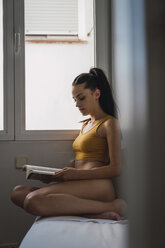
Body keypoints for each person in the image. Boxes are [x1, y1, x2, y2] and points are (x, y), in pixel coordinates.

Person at [11, 67, 127, 220]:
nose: (77, 104)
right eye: (75, 99)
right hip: (80, 182)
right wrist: (55, 176)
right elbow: (80, 161)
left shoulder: (109, 124)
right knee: (17, 192)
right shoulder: (86, 125)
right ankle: (92, 212)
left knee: (32, 201)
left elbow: (115, 168)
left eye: (81, 98)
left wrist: (77, 174)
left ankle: (112, 206)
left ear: (97, 94)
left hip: (98, 185)